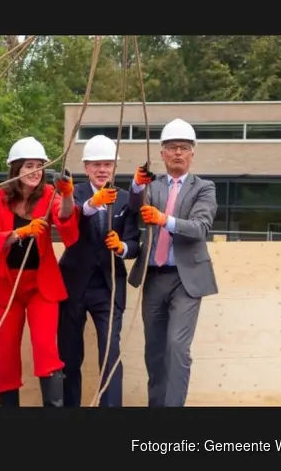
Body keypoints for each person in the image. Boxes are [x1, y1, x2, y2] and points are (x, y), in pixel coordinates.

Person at [0, 136, 79, 407]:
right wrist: (19, 232)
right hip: (6, 284)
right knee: (5, 356)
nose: (35, 171)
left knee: (47, 351)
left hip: (41, 285)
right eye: (28, 166)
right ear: (15, 169)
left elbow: (66, 220)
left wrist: (68, 194)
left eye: (39, 166)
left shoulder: (49, 194)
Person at [127, 118, 219, 407]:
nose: (177, 152)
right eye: (171, 147)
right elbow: (132, 208)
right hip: (153, 276)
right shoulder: (152, 188)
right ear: (162, 153)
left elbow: (200, 227)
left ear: (192, 153)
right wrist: (134, 184)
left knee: (177, 347)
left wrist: (165, 220)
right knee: (154, 349)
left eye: (183, 147)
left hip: (186, 279)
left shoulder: (204, 188)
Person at [57, 135, 141, 407]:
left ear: (114, 168)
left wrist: (122, 248)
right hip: (73, 285)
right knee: (69, 355)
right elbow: (68, 218)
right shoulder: (72, 192)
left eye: (107, 164)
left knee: (110, 354)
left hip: (108, 287)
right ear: (86, 167)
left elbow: (133, 243)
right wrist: (93, 205)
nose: (102, 169)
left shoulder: (126, 199)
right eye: (96, 165)